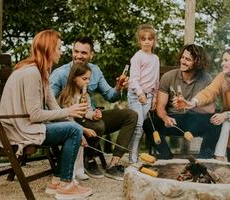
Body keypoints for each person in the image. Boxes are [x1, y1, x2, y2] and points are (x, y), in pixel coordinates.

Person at [0, 30, 92, 199]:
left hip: (26, 124)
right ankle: (65, 186)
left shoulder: (42, 73)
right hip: (19, 129)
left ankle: (57, 181)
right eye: (58, 48)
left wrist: (79, 129)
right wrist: (70, 115)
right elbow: (34, 115)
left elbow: (53, 106)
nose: (61, 52)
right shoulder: (31, 72)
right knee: (72, 130)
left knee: (73, 129)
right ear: (48, 49)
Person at [50, 37, 138, 181]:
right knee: (99, 125)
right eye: (76, 51)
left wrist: (118, 87)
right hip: (69, 119)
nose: (79, 56)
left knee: (131, 115)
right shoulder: (60, 73)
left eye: (84, 53)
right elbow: (48, 104)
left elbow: (110, 96)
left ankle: (114, 164)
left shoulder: (95, 70)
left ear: (91, 55)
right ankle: (89, 159)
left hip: (89, 114)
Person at [177, 48, 230, 165]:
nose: (222, 63)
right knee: (223, 122)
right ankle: (219, 161)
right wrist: (193, 102)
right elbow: (209, 91)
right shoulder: (222, 77)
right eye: (222, 60)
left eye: (226, 60)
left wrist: (226, 114)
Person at [143, 44, 221, 159]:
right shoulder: (168, 77)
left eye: (188, 59)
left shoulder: (206, 78)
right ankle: (166, 155)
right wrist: (165, 118)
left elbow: (211, 109)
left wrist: (187, 105)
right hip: (173, 120)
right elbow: (160, 107)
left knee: (216, 122)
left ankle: (204, 159)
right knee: (148, 123)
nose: (183, 61)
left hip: (195, 120)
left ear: (197, 62)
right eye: (183, 57)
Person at [58, 62, 105, 180]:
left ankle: (79, 169)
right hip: (68, 124)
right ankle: (71, 170)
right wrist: (83, 130)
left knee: (80, 146)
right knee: (76, 142)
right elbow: (66, 118)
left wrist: (94, 115)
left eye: (89, 79)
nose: (87, 82)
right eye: (84, 79)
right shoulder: (67, 96)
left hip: (79, 123)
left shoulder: (86, 95)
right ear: (74, 78)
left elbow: (87, 112)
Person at [127, 24, 160, 163]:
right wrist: (140, 93)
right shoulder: (137, 57)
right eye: (143, 39)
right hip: (136, 95)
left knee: (142, 126)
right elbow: (134, 79)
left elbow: (156, 80)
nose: (147, 41)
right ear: (139, 41)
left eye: (150, 39)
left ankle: (135, 154)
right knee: (138, 125)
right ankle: (132, 157)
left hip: (149, 96)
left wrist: (155, 97)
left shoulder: (155, 58)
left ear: (154, 41)